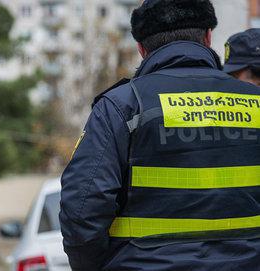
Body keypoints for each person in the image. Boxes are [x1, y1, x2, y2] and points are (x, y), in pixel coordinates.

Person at [59, 0, 260, 270]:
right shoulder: (255, 102)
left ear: (142, 49)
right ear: (208, 37)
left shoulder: (122, 106)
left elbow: (82, 209)